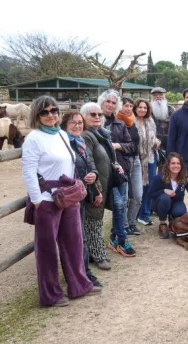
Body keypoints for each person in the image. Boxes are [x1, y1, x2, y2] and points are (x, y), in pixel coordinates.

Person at [22, 96, 99, 307]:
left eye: (54, 110)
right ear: (37, 115)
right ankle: (50, 295)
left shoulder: (62, 135)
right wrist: (38, 201)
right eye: (45, 112)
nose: (51, 115)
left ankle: (79, 285)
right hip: (47, 199)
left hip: (68, 197)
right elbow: (28, 172)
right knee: (47, 249)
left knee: (73, 243)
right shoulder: (34, 139)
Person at [61, 111, 103, 288]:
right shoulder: (63, 145)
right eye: (73, 123)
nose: (77, 126)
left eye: (79, 122)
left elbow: (91, 164)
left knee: (81, 236)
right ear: (65, 125)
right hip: (71, 195)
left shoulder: (81, 143)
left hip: (84, 193)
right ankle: (82, 274)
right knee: (77, 237)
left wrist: (94, 175)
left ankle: (84, 272)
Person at [98, 89, 137, 257]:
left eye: (114, 103)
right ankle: (122, 239)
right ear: (102, 103)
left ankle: (115, 237)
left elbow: (131, 146)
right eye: (108, 102)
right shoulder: (95, 122)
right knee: (119, 205)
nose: (110, 105)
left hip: (120, 171)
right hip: (103, 172)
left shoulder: (120, 124)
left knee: (120, 206)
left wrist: (117, 146)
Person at [80, 102, 114, 271]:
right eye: (92, 114)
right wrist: (96, 188)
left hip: (102, 183)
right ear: (84, 117)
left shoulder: (99, 134)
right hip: (95, 185)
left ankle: (95, 253)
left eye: (99, 114)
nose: (97, 117)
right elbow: (89, 163)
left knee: (95, 219)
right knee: (93, 220)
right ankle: (99, 256)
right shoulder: (87, 135)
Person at [117, 97, 143, 236]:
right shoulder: (116, 122)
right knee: (125, 196)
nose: (128, 108)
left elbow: (135, 143)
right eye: (125, 105)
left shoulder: (132, 121)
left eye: (130, 106)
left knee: (138, 195)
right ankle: (125, 225)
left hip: (136, 159)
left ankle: (131, 222)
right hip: (123, 161)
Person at [134, 99, 160, 226]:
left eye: (145, 107)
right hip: (137, 159)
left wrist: (156, 141)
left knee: (149, 186)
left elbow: (153, 136)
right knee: (138, 187)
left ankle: (145, 214)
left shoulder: (150, 121)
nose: (142, 110)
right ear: (135, 108)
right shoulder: (131, 122)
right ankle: (136, 213)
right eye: (140, 107)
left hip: (151, 157)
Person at [150, 87, 174, 159]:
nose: (158, 97)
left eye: (160, 94)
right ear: (152, 97)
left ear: (164, 96)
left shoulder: (171, 109)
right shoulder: (147, 110)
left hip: (169, 142)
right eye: (155, 95)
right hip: (152, 143)